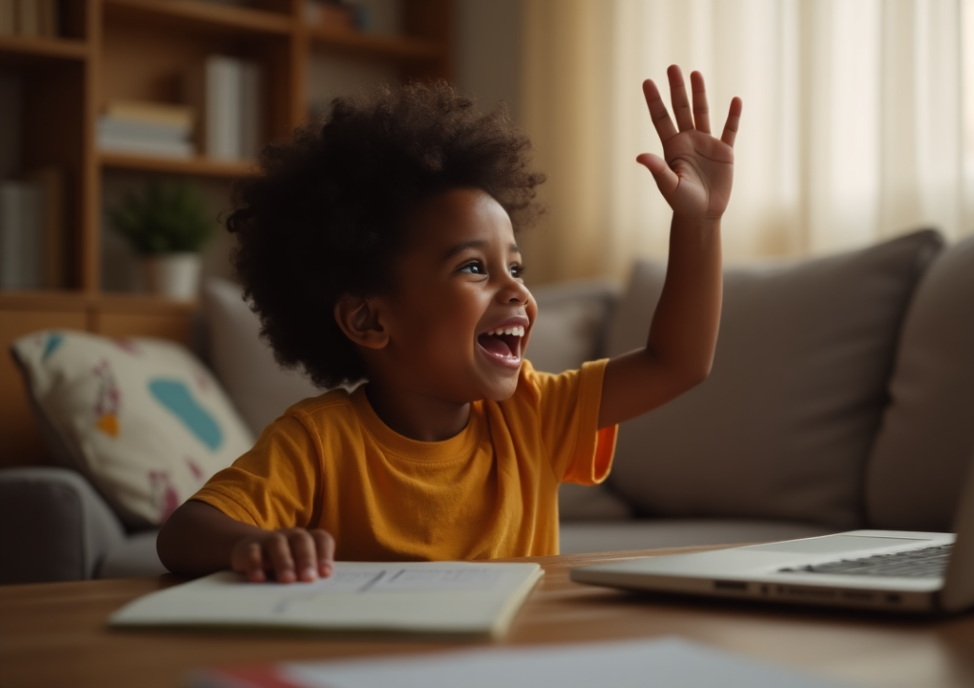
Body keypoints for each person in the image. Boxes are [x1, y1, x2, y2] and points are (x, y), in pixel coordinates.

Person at [157, 66, 742, 583]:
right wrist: (256, 544)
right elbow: (183, 533)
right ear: (368, 319)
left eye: (515, 265)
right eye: (473, 267)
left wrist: (701, 224)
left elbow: (678, 362)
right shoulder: (317, 442)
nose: (516, 288)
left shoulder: (533, 416)